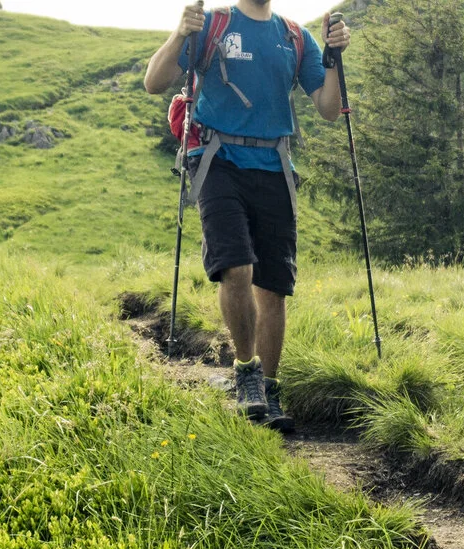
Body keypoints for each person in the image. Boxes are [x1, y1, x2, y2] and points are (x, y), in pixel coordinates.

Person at [142, 0, 351, 433]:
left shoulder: (295, 37)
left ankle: (270, 390)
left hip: (275, 166)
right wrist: (180, 32)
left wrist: (333, 58)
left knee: (273, 288)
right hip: (218, 162)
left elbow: (329, 108)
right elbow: (154, 82)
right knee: (236, 268)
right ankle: (246, 373)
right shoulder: (212, 24)